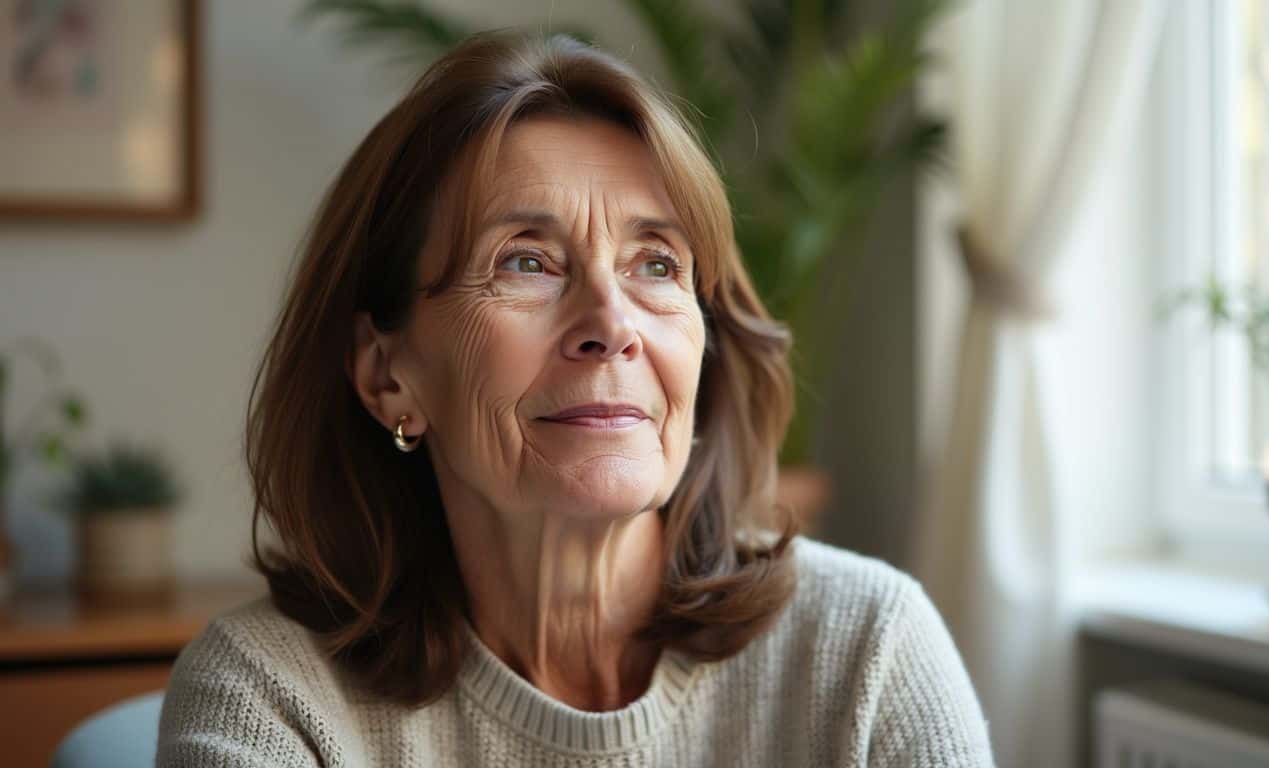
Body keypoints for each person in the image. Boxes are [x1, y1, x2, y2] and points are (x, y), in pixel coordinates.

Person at [156, 31, 994, 767]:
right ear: (387, 376)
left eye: (656, 264)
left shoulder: (868, 654)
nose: (612, 323)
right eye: (526, 261)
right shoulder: (269, 697)